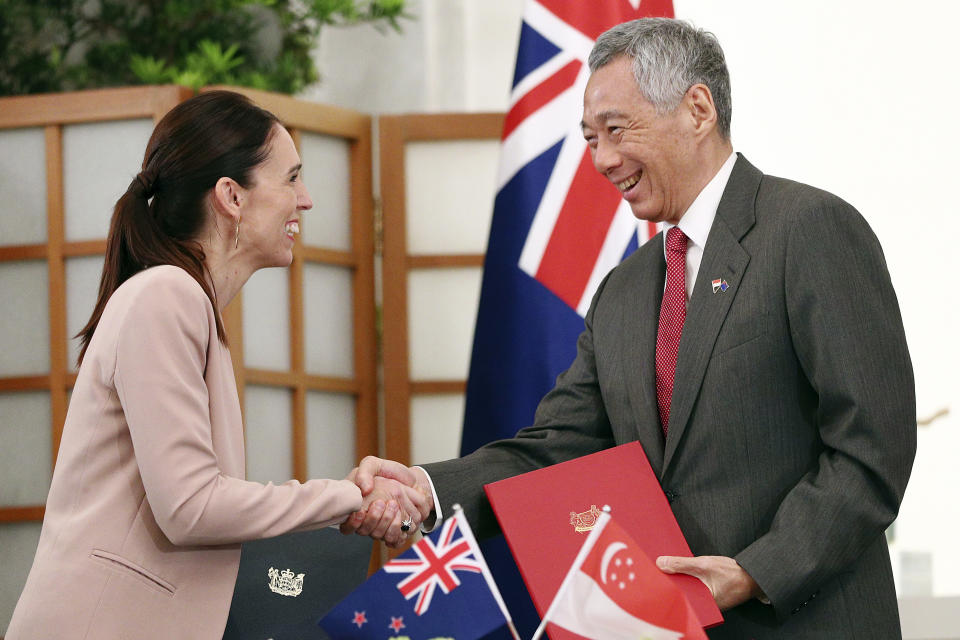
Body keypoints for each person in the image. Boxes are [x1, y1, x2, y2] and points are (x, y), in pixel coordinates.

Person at [343, 18, 917, 639]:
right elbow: (556, 445)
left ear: (698, 108)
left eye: (616, 131)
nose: (602, 161)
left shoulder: (809, 229)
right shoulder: (625, 288)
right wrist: (426, 489)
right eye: (590, 139)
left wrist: (754, 572)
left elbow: (870, 449)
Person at [6, 90, 430, 640]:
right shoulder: (166, 294)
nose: (306, 200)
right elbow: (191, 506)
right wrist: (350, 495)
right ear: (231, 195)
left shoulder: (185, 301)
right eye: (291, 178)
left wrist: (343, 499)